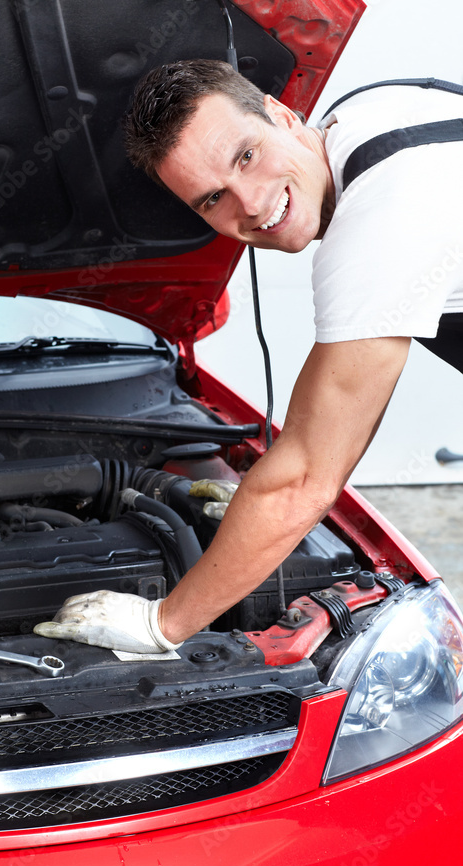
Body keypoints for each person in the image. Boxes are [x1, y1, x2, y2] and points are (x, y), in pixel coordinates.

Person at [34, 59, 463, 654]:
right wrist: (255, 515)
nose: (255, 204)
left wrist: (161, 625)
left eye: (247, 155)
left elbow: (305, 480)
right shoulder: (380, 103)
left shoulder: (382, 222)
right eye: (215, 198)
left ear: (281, 114)